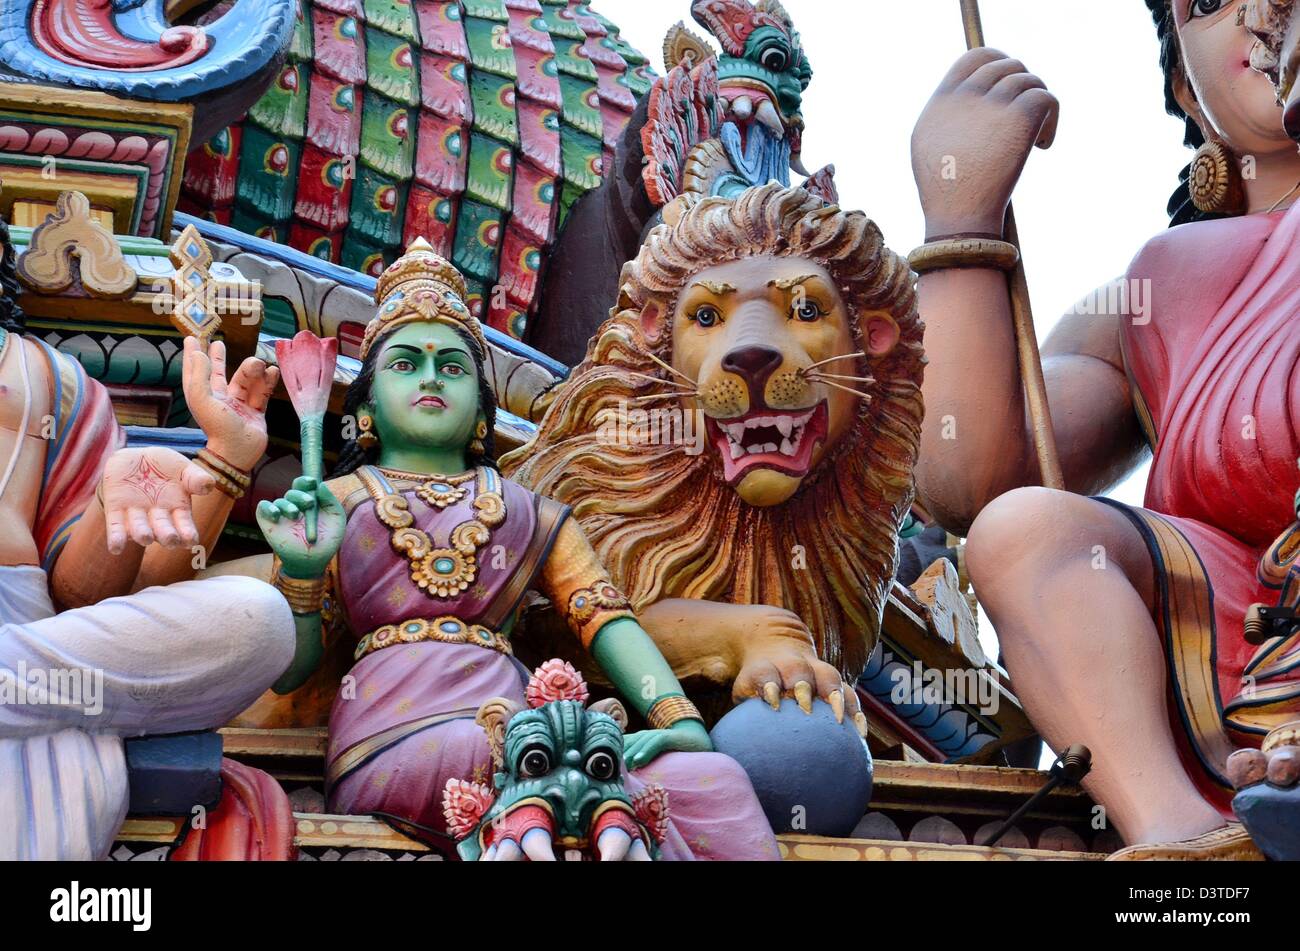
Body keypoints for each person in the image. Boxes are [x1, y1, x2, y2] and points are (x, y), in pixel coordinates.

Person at [908, 0, 1300, 858]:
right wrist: (961, 217)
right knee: (1025, 531)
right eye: (1208, 2)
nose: (1260, 12)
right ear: (1184, 88)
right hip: (1233, 619)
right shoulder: (1156, 293)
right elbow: (968, 482)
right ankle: (1183, 835)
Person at [256, 239, 779, 860]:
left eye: (453, 367)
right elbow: (290, 672)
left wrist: (679, 721)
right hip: (400, 735)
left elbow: (605, 619)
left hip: (537, 729)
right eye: (405, 364)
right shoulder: (335, 504)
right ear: (365, 408)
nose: (430, 377)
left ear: (483, 414)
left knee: (712, 779)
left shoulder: (530, 512)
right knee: (510, 754)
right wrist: (302, 572)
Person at [0, 217, 293, 859]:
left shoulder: (47, 378)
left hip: (32, 640)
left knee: (258, 619)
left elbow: (84, 602)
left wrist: (223, 460)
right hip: (37, 686)